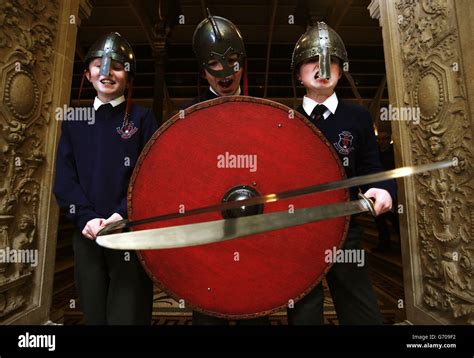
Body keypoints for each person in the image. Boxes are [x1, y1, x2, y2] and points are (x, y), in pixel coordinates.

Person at [287, 22, 396, 325]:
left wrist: (383, 189)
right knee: (303, 315)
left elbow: (372, 168)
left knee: (363, 314)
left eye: (330, 60)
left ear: (340, 69)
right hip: (300, 232)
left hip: (346, 230)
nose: (322, 67)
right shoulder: (286, 120)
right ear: (298, 72)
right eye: (312, 60)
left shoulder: (358, 116)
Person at [53, 32, 157, 325]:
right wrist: (86, 218)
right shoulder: (74, 120)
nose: (107, 72)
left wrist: (121, 216)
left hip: (129, 235)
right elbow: (64, 180)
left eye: (117, 66)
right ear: (87, 74)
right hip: (87, 234)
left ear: (129, 76)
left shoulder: (143, 118)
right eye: (99, 64)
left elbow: (151, 177)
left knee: (129, 314)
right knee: (94, 314)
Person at [184, 12, 267, 326]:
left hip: (255, 230)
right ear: (204, 72)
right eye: (214, 64)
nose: (224, 72)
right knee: (208, 310)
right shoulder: (187, 116)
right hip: (209, 232)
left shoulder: (263, 112)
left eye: (231, 60)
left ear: (242, 64)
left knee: (255, 307)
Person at [372, 132, 400, 253]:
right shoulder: (375, 154)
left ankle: (401, 244)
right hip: (378, 190)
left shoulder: (394, 154)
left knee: (395, 220)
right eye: (380, 139)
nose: (382, 141)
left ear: (389, 140)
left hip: (391, 190)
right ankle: (384, 244)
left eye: (385, 138)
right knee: (379, 220)